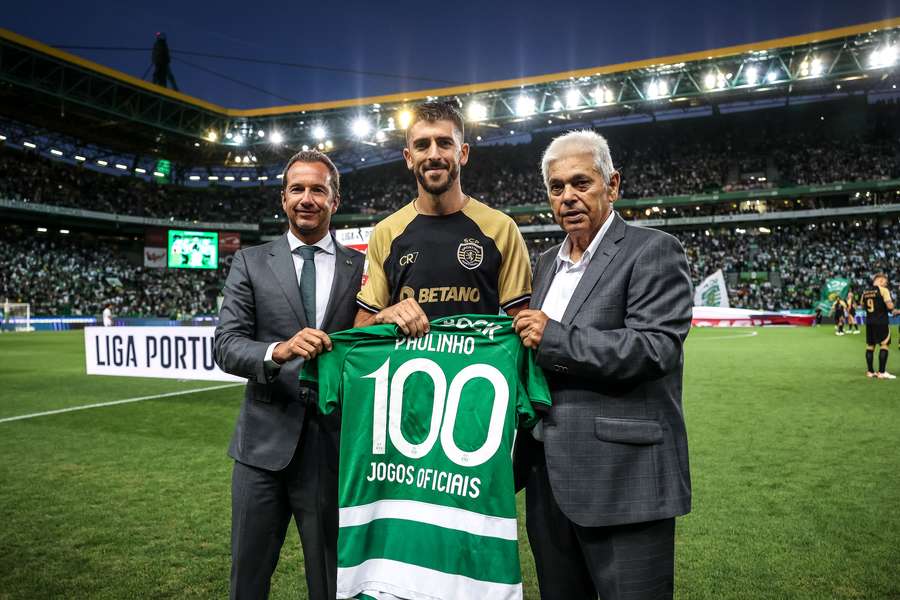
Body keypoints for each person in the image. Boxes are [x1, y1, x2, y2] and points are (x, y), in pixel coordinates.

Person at [513, 130, 693, 600]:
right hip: (548, 482)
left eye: (581, 183)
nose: (568, 196)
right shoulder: (547, 262)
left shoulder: (652, 249)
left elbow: (655, 348)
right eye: (556, 187)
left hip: (623, 480)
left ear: (612, 185)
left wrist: (552, 337)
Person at [214, 149, 364, 598]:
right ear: (283, 199)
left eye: (318, 189)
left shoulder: (361, 269)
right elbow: (226, 345)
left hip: (332, 450)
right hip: (261, 451)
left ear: (334, 201)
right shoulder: (251, 262)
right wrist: (278, 351)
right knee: (248, 579)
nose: (307, 198)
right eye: (297, 189)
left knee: (331, 582)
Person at [354, 101, 532, 331]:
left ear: (463, 153)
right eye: (422, 145)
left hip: (477, 366)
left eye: (445, 143)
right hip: (411, 367)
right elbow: (360, 328)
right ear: (409, 157)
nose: (434, 154)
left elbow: (524, 327)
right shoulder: (386, 232)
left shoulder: (501, 228)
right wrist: (384, 316)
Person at [861, 273, 899, 379]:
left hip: (869, 322)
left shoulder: (865, 292)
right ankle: (881, 372)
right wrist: (893, 308)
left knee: (870, 346)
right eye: (885, 282)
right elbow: (890, 306)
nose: (885, 285)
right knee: (884, 345)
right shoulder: (883, 290)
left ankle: (870, 371)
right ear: (881, 280)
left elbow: (863, 305)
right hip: (881, 322)